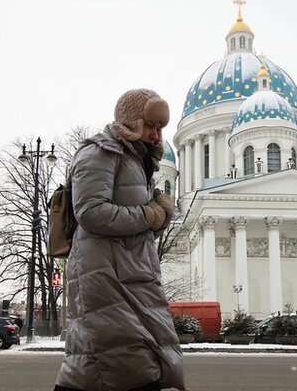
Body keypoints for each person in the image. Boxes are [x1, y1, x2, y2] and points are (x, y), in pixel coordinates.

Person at [54, 89, 183, 391]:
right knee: (119, 359)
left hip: (130, 273)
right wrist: (152, 214)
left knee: (121, 361)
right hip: (105, 275)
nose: (156, 136)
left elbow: (135, 222)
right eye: (152, 126)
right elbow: (91, 212)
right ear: (133, 121)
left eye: (161, 128)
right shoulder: (100, 152)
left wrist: (159, 216)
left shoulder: (134, 160)